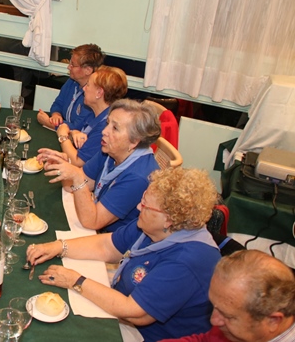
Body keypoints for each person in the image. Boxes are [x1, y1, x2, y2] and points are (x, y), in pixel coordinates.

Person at [27, 168, 221, 342]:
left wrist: (75, 281)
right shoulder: (155, 227)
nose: (138, 208)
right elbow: (107, 246)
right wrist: (58, 246)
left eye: (145, 206)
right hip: (122, 306)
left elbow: (134, 312)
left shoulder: (186, 261)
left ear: (169, 219)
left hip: (142, 334)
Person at [39, 99, 160, 232]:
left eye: (115, 128)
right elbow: (72, 186)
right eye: (107, 123)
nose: (104, 131)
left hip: (111, 238)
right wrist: (64, 165)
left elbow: (92, 221)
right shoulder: (111, 151)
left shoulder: (138, 177)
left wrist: (76, 176)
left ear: (134, 141)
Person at [160, 250, 295, 342]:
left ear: (273, 321)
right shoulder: (234, 326)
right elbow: (207, 339)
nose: (214, 321)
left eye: (228, 316)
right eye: (213, 306)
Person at [55, 66, 127, 167]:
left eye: (88, 85)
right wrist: (74, 133)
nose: (84, 89)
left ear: (99, 93)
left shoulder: (106, 127)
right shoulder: (94, 113)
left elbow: (77, 162)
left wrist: (62, 136)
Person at [36, 44, 105, 130]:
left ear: (87, 70)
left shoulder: (92, 96)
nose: (68, 67)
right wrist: (56, 114)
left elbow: (76, 127)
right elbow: (58, 103)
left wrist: (47, 122)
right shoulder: (71, 82)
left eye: (73, 65)